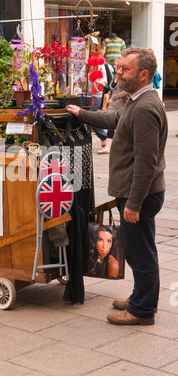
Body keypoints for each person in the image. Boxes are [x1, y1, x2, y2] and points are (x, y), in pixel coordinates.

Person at [67, 47, 168, 326]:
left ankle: (141, 310)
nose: (119, 73)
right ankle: (144, 298)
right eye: (119, 66)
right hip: (140, 192)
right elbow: (114, 120)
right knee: (143, 249)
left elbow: (146, 163)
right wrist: (83, 114)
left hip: (140, 194)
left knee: (139, 253)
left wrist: (134, 204)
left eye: (125, 69)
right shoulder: (137, 100)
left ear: (144, 74)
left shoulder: (146, 107)